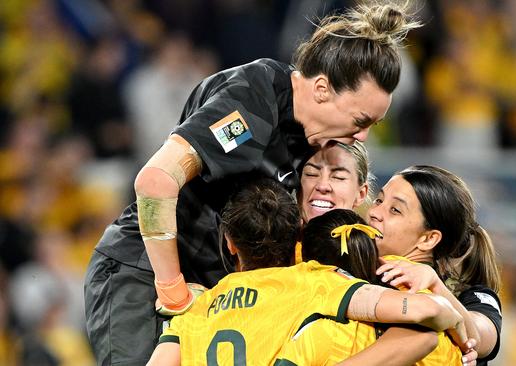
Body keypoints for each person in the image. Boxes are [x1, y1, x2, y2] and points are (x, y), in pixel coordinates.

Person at [83, 2, 421, 364]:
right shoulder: (253, 103)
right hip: (144, 267)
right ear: (321, 89)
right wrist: (173, 291)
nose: (364, 136)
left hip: (213, 283)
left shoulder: (309, 139)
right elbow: (155, 182)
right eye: (360, 119)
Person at [147, 178, 467, 366]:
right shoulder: (315, 283)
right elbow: (424, 320)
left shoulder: (196, 311)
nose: (375, 212)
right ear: (294, 237)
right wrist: (454, 316)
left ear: (230, 243)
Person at [277, 208, 465, 365]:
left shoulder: (316, 322)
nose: (375, 212)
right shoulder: (405, 277)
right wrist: (458, 326)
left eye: (395, 210)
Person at [370, 165, 503, 365]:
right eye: (379, 200)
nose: (374, 212)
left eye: (395, 210)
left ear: (428, 239)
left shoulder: (472, 297)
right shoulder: (352, 271)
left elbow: (479, 340)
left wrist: (435, 286)